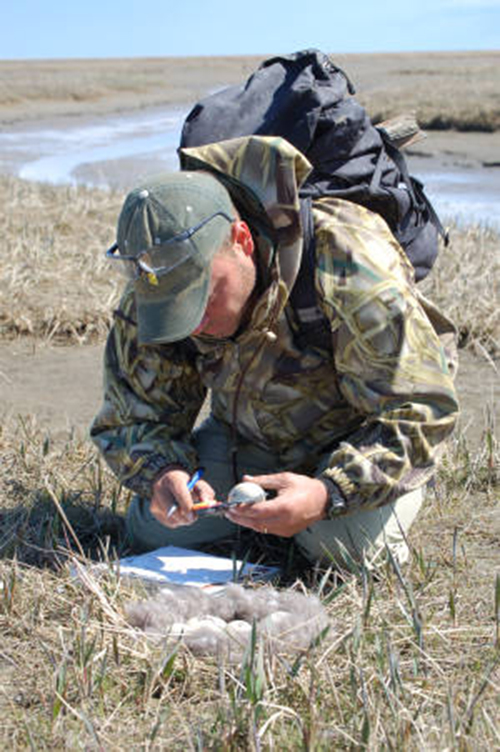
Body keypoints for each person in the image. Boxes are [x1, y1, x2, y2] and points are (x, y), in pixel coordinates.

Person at [90, 135, 459, 570]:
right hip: (244, 439)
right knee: (156, 529)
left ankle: (384, 496)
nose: (192, 323)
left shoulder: (347, 256)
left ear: (241, 239)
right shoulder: (153, 287)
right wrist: (162, 473)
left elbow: (420, 409)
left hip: (359, 437)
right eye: (177, 309)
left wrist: (328, 493)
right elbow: (132, 418)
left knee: (344, 550)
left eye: (204, 298)